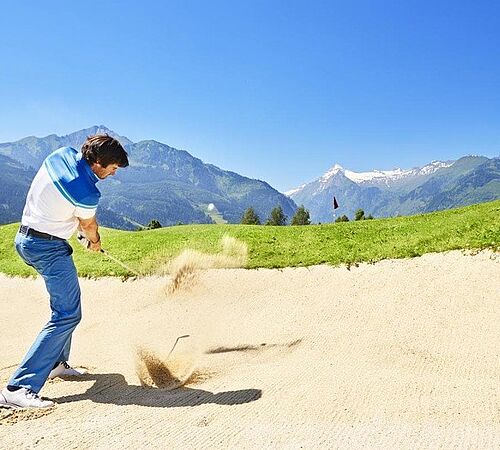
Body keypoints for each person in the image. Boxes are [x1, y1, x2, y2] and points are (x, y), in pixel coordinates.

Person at [0, 134, 129, 409]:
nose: (114, 172)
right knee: (68, 313)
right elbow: (88, 226)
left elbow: (63, 207)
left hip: (27, 238)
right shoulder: (87, 190)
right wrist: (94, 242)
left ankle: (57, 363)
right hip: (47, 248)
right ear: (97, 163)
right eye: (113, 167)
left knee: (65, 307)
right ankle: (18, 387)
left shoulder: (61, 154)